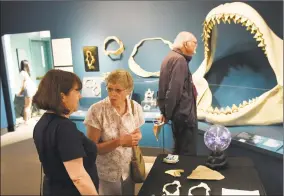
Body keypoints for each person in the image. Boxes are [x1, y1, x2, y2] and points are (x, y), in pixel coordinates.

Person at [33, 69, 99, 196]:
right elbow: (78, 177)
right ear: (62, 96)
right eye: (76, 91)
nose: (80, 96)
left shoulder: (42, 123)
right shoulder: (65, 128)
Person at [84, 69, 144, 195]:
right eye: (110, 89)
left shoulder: (135, 107)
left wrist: (137, 137)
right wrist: (120, 141)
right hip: (107, 173)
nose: (113, 94)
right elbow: (91, 149)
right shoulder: (96, 110)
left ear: (128, 90)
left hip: (128, 169)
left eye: (118, 90)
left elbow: (137, 131)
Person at [157, 31, 198, 156]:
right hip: (184, 116)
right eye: (194, 43)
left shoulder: (170, 57)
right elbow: (174, 91)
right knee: (186, 153)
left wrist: (165, 113)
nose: (196, 47)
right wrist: (167, 114)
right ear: (185, 44)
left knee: (179, 149)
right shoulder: (179, 60)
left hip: (178, 116)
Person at [17, 60, 37, 124]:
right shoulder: (23, 73)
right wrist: (20, 91)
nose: (29, 65)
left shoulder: (24, 73)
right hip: (28, 90)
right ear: (25, 65)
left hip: (29, 90)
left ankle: (28, 119)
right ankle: (26, 121)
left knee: (29, 105)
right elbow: (24, 84)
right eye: (28, 64)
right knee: (27, 106)